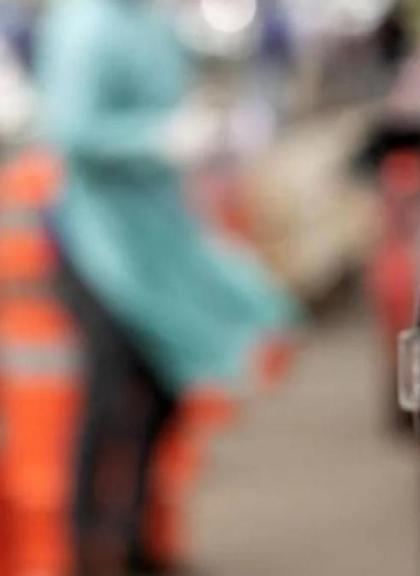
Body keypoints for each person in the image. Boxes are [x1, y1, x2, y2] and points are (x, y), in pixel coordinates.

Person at [35, 0, 298, 572]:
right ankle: (87, 550)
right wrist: (158, 138)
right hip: (96, 243)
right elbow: (72, 133)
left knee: (164, 390)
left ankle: (134, 538)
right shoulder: (87, 25)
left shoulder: (152, 23)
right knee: (108, 401)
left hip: (160, 236)